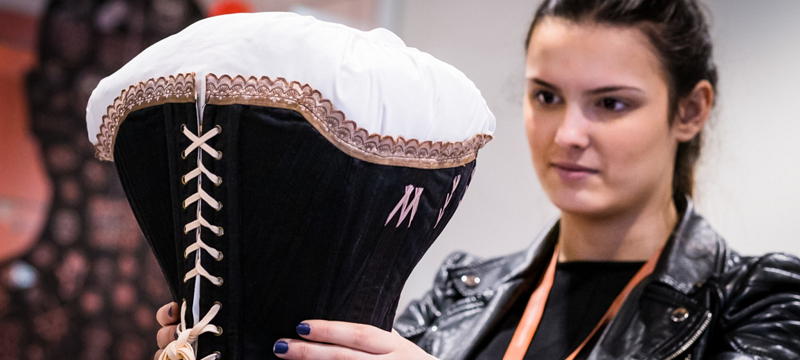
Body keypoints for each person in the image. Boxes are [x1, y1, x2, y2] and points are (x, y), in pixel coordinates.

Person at [154, 0, 800, 359]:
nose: (568, 133)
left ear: (690, 111)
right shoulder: (458, 291)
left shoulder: (759, 301)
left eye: (611, 104)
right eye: (546, 97)